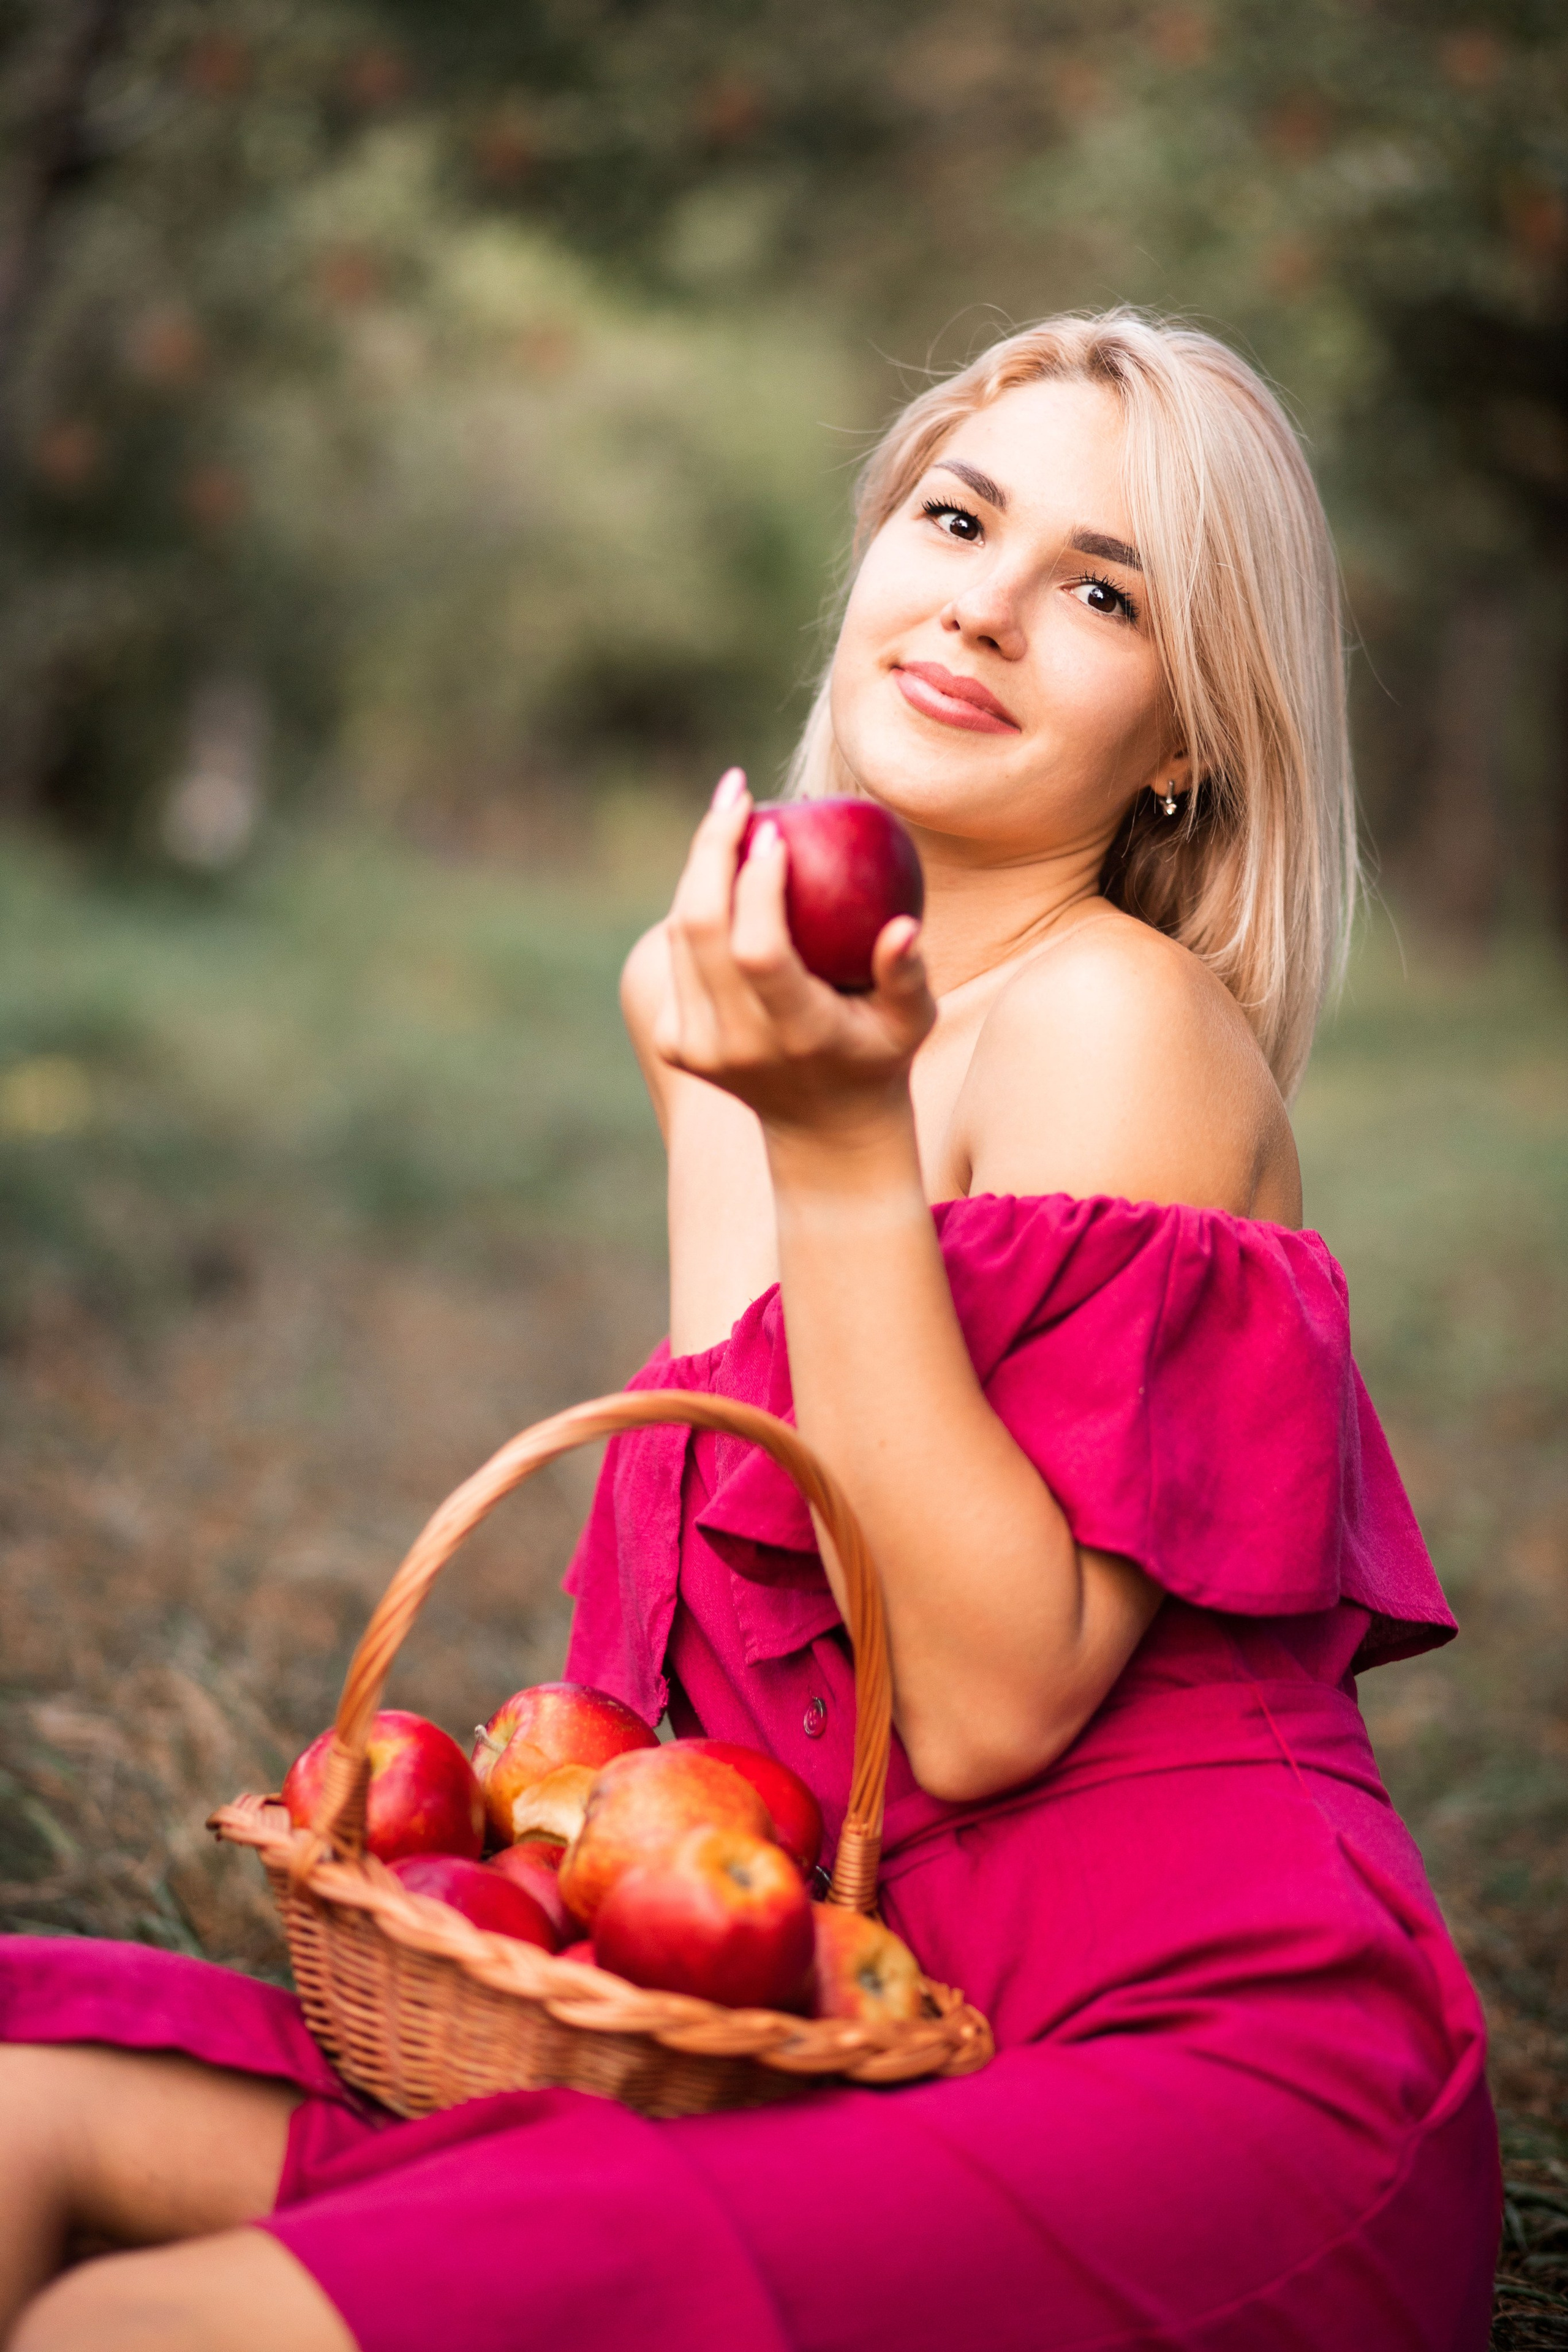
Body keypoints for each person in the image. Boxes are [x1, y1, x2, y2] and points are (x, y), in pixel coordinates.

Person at [0, 311, 1500, 2352]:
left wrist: (838, 1146)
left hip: (1190, 2062)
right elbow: (739, 1621)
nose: (983, 605)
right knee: (26, 2095)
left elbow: (969, 1713)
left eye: (1099, 591)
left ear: (1184, 742)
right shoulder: (732, 1024)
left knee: (158, 2322)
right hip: (813, 2038)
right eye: (957, 519)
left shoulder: (1120, 1022)